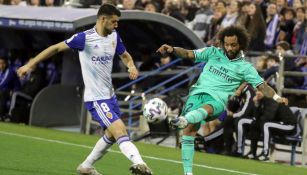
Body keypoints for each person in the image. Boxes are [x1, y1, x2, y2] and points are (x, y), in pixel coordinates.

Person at [17, 4, 152, 175]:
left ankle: (86, 167)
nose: (117, 25)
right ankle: (141, 164)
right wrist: (30, 65)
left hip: (110, 95)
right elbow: (55, 48)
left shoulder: (114, 36)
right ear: (103, 19)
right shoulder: (84, 38)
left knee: (111, 135)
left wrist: (131, 66)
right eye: (114, 21)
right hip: (96, 98)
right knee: (120, 130)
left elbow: (125, 55)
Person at [156, 25, 287, 175]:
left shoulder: (245, 68)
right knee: (189, 131)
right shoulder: (212, 52)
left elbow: (263, 87)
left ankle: (185, 118)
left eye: (233, 45)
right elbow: (187, 54)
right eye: (226, 44)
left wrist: (277, 97)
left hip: (217, 100)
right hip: (197, 93)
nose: (229, 48)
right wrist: (172, 49)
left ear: (241, 44)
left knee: (208, 109)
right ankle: (188, 173)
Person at [247, 90, 296, 161]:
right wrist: (256, 104)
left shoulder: (272, 100)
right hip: (277, 124)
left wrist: (260, 120)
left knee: (265, 125)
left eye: (260, 91)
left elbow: (268, 117)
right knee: (255, 123)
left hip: (288, 125)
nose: (257, 93)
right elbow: (257, 118)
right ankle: (252, 152)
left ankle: (265, 154)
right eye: (256, 91)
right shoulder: (261, 100)